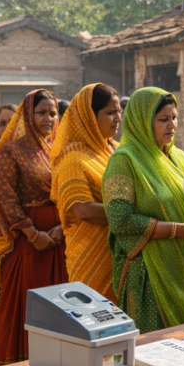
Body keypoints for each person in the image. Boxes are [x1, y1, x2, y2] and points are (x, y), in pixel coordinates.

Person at [0, 90, 68, 364]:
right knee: (30, 305)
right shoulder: (10, 151)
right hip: (28, 244)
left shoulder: (56, 149)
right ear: (27, 115)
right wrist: (33, 234)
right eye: (42, 112)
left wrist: (60, 228)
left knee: (60, 305)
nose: (49, 118)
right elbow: (5, 197)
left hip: (57, 240)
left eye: (53, 113)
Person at [104, 86, 184, 332]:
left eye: (174, 118)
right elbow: (120, 220)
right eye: (163, 119)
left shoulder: (179, 158)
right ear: (142, 120)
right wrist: (178, 230)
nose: (171, 125)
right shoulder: (125, 160)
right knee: (154, 345)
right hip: (147, 271)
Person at [50, 84, 121, 303]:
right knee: (97, 321)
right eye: (110, 113)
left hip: (120, 253)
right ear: (88, 117)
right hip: (91, 255)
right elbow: (82, 210)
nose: (118, 118)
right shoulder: (73, 158)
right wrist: (129, 217)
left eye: (119, 112)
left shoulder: (115, 149)